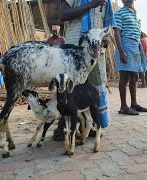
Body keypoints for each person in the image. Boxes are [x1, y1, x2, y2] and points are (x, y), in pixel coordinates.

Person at [52, 0, 113, 141]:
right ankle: (63, 126)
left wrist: (106, 40)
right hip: (76, 49)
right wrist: (91, 4)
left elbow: (105, 27)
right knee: (70, 87)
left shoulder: (106, 2)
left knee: (93, 87)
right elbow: (63, 14)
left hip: (96, 51)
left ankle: (88, 126)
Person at [113, 0, 147, 115]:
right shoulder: (119, 13)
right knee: (124, 77)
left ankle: (134, 104)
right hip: (125, 46)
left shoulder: (135, 13)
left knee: (134, 76)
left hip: (135, 47)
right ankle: (123, 106)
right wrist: (122, 51)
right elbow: (117, 33)